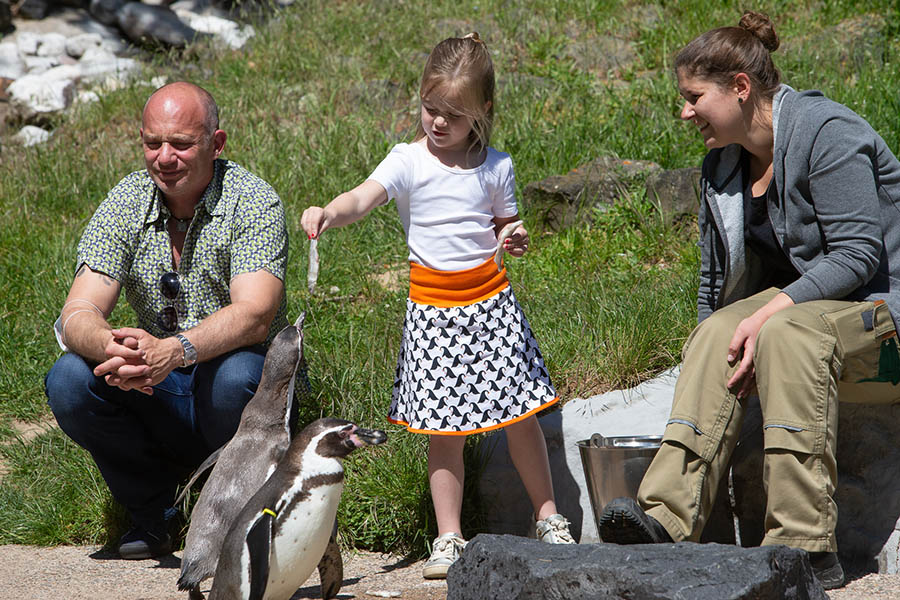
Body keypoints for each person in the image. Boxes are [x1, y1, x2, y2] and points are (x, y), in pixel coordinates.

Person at [596, 11, 900, 590]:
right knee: (715, 332)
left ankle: (805, 544)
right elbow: (721, 294)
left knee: (787, 332)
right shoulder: (723, 166)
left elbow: (860, 255)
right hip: (812, 318)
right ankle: (665, 517)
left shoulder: (827, 133)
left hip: (886, 324)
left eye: (693, 97)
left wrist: (771, 311)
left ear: (740, 87)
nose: (684, 113)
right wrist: (732, 341)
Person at [301, 33, 575, 579]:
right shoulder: (407, 160)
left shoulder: (496, 166)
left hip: (492, 304)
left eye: (454, 114)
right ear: (419, 100)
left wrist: (515, 235)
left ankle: (548, 516)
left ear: (484, 112)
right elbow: (364, 196)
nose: (439, 123)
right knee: (442, 430)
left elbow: (505, 224)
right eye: (431, 109)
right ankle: (448, 536)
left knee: (520, 417)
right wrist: (330, 210)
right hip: (432, 310)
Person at [44, 81, 289, 560]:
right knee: (70, 378)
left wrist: (171, 350)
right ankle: (154, 512)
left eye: (180, 144)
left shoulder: (253, 201)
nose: (164, 157)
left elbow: (256, 315)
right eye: (153, 143)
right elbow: (76, 313)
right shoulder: (127, 200)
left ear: (216, 144)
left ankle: (238, 517)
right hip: (159, 386)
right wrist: (113, 347)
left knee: (238, 374)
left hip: (231, 393)